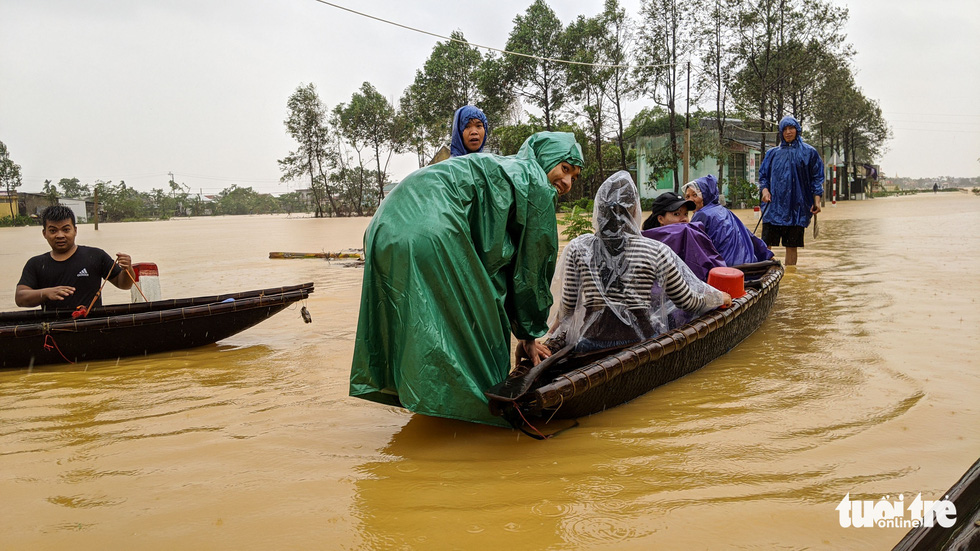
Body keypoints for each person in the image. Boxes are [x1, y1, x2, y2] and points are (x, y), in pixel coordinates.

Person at [350, 131, 584, 427]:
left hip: (384, 226)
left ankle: (429, 407)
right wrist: (528, 334)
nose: (566, 184)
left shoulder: (501, 167)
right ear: (546, 160)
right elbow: (531, 270)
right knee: (485, 324)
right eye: (564, 169)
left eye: (574, 178)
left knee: (419, 319)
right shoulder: (533, 181)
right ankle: (482, 417)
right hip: (431, 229)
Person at [549, 171, 730, 354]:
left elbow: (568, 306)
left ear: (599, 208)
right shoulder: (655, 250)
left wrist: (555, 330)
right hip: (640, 345)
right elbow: (687, 301)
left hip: (591, 344)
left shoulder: (578, 248)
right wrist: (718, 297)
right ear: (635, 210)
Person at [16, 204, 134, 311]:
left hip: (92, 326)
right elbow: (20, 298)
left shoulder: (96, 256)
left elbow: (124, 284)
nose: (60, 235)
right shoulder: (36, 264)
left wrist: (128, 269)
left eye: (66, 230)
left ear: (75, 230)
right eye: (53, 231)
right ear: (44, 233)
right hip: (54, 329)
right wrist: (46, 293)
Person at [757, 115, 825, 266]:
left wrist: (817, 201)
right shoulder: (772, 154)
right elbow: (763, 177)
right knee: (766, 245)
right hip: (773, 206)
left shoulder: (809, 153)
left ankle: (790, 275)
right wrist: (765, 191)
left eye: (791, 128)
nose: (788, 132)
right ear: (781, 132)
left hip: (797, 208)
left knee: (791, 246)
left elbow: (817, 179)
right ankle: (766, 273)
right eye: (785, 129)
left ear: (797, 130)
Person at [682, 174, 774, 267]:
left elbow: (691, 250)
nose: (690, 200)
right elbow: (750, 236)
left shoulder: (701, 215)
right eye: (687, 197)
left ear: (706, 195)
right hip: (745, 265)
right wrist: (767, 255)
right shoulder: (725, 211)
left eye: (694, 195)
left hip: (724, 269)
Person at [640, 191, 726, 281]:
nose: (684, 219)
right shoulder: (648, 246)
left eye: (686, 214)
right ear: (661, 219)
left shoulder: (689, 236)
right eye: (676, 214)